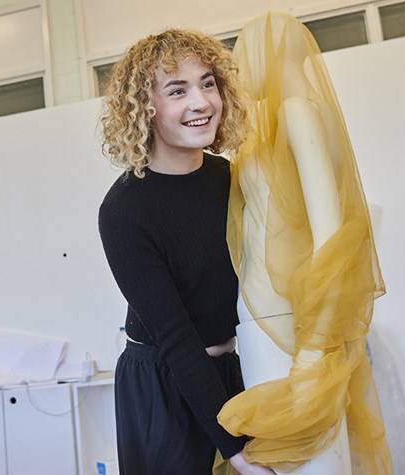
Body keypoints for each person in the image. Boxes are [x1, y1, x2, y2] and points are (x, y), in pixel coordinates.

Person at [97, 29, 273, 475]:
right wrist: (236, 451)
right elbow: (177, 340)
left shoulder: (227, 178)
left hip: (227, 371)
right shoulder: (124, 211)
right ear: (144, 107)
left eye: (208, 83)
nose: (201, 102)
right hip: (161, 383)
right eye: (178, 90)